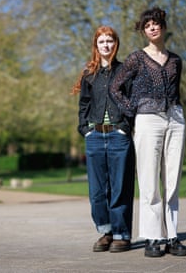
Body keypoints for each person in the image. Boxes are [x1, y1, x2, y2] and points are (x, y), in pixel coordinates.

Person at [110, 7, 186, 257]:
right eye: (147, 25)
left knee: (172, 180)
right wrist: (133, 109)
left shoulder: (176, 60)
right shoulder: (136, 58)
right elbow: (116, 87)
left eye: (156, 24)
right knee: (149, 180)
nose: (152, 28)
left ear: (163, 27)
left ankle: (172, 235)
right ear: (144, 31)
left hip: (175, 119)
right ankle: (153, 237)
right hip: (147, 121)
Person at [71, 25, 135, 253]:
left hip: (119, 136)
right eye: (101, 42)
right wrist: (85, 129)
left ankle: (121, 235)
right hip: (95, 136)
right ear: (96, 46)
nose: (106, 45)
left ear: (115, 44)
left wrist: (125, 127)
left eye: (109, 41)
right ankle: (106, 231)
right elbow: (84, 105)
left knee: (120, 188)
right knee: (97, 192)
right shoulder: (89, 75)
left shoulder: (125, 71)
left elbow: (132, 102)